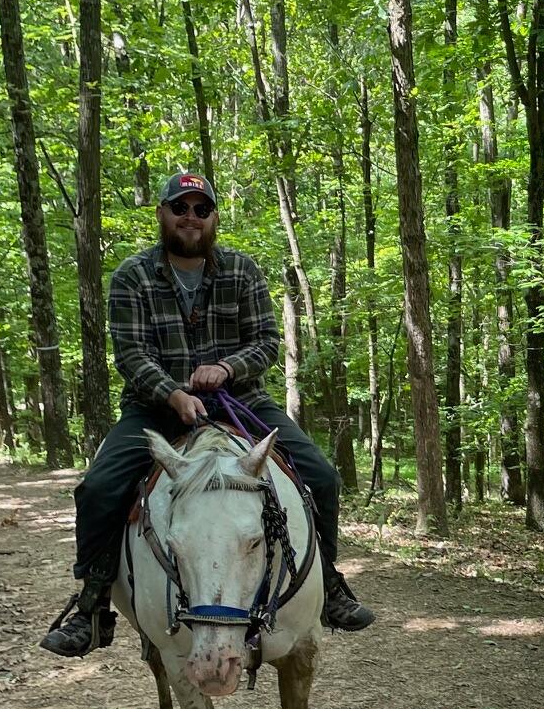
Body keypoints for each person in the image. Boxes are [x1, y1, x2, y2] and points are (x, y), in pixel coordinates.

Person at [40, 170, 374, 656]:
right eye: (180, 208)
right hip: (156, 407)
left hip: (241, 403)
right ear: (163, 213)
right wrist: (173, 394)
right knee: (98, 489)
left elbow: (266, 341)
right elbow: (131, 354)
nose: (190, 217)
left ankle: (329, 583)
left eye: (201, 209)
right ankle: (92, 606)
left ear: (214, 217)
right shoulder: (133, 275)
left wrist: (227, 367)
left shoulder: (242, 270)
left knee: (321, 476)